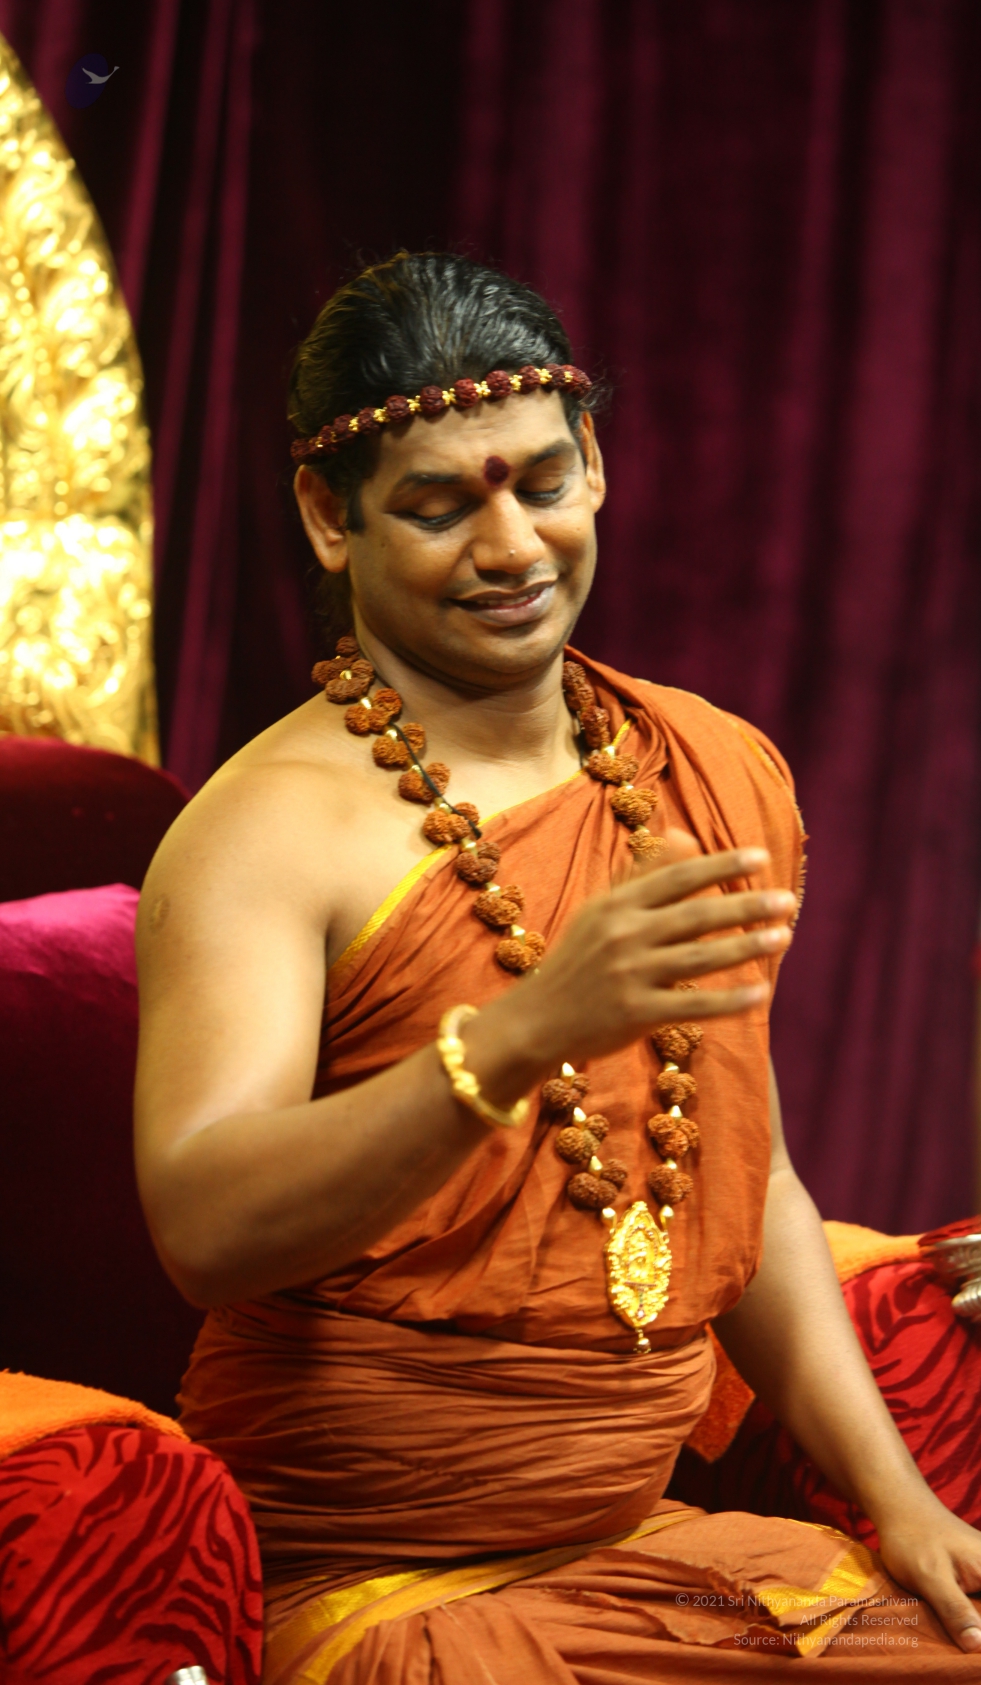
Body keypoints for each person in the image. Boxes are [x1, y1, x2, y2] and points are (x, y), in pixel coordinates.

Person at [135, 253, 981, 1682]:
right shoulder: (264, 833)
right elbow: (205, 1222)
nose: (512, 545)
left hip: (639, 1546)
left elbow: (748, 1175)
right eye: (437, 505)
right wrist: (521, 1034)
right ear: (330, 518)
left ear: (594, 464)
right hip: (370, 1579)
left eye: (540, 481)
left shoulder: (706, 769)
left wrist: (903, 1503)